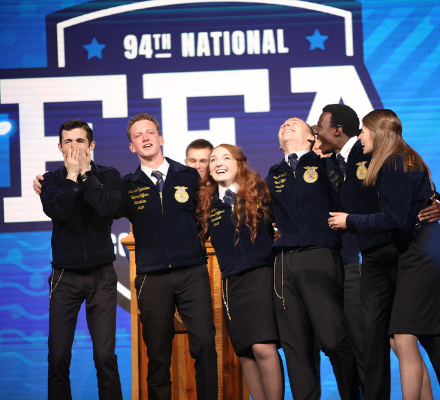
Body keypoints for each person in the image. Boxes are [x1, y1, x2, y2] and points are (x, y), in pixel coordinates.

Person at [328, 109, 440, 400]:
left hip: (418, 253)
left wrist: (349, 221)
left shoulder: (393, 163)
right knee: (404, 337)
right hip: (417, 249)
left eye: (363, 131)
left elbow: (394, 217)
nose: (360, 136)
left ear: (377, 133)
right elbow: (417, 199)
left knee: (404, 336)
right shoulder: (403, 158)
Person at [115, 113, 218, 400]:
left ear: (161, 139)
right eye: (138, 135)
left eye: (150, 132)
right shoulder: (127, 185)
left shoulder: (187, 175)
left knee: (206, 344)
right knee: (158, 354)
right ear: (132, 147)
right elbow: (100, 211)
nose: (145, 137)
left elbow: (210, 212)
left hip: (191, 272)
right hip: (151, 276)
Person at [266, 117, 359, 400]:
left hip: (320, 255)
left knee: (332, 340)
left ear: (312, 138)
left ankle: (352, 395)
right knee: (295, 347)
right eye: (282, 125)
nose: (286, 125)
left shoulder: (325, 165)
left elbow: (348, 201)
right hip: (283, 263)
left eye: (294, 123)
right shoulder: (273, 173)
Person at [40, 119, 122, 400]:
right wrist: (71, 178)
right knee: (58, 356)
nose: (74, 147)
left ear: (92, 145)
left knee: (104, 356)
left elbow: (107, 208)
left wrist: (86, 175)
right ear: (60, 146)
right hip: (65, 277)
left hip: (101, 275)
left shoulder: (109, 175)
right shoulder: (51, 180)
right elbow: (57, 212)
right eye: (68, 141)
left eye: (80, 141)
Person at [196, 144, 283, 400]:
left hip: (261, 276)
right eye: (213, 159)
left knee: (263, 346)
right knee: (245, 351)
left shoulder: (259, 193)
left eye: (225, 157)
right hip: (231, 282)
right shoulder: (205, 204)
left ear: (239, 163)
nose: (218, 163)